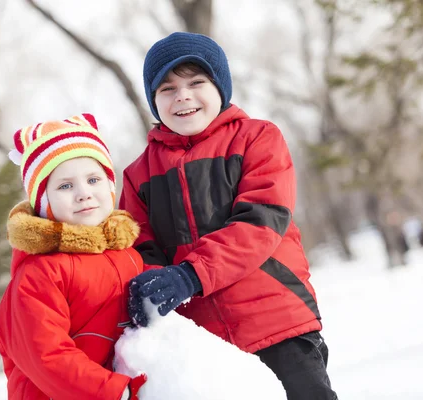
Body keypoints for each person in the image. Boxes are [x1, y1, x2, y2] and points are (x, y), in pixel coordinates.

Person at [120, 32, 337, 399]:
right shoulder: (138, 174)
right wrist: (152, 286)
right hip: (206, 344)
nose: (183, 96)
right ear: (154, 101)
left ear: (221, 87)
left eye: (196, 82)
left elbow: (260, 221)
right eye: (167, 88)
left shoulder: (257, 139)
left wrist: (190, 275)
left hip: (278, 322)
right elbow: (141, 248)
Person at [0, 113, 147, 400]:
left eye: (93, 179)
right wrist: (115, 391)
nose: (83, 194)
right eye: (65, 186)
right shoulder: (40, 273)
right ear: (44, 203)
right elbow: (47, 355)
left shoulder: (128, 255)